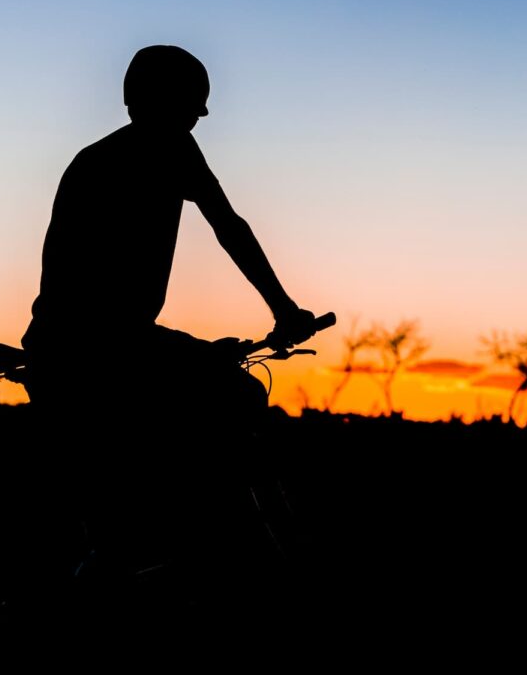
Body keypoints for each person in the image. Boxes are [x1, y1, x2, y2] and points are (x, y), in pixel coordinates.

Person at [20, 45, 318, 417]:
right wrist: (283, 309)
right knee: (240, 397)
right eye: (193, 106)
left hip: (63, 346)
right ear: (169, 102)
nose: (197, 118)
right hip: (103, 352)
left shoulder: (95, 158)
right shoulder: (171, 148)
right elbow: (228, 226)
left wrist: (195, 349)